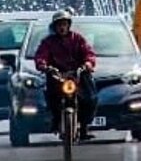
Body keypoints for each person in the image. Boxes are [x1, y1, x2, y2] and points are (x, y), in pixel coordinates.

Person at [35, 9, 97, 140]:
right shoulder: (48, 42)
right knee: (51, 99)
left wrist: (87, 64)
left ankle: (84, 127)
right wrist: (44, 66)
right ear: (55, 27)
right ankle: (56, 121)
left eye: (64, 24)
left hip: (77, 75)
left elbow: (89, 53)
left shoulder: (78, 39)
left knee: (90, 98)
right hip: (57, 77)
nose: (62, 27)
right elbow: (41, 56)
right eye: (59, 25)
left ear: (68, 25)